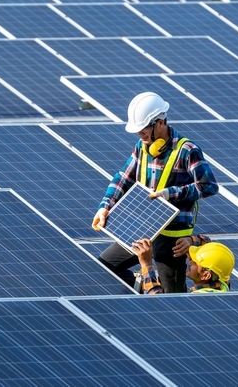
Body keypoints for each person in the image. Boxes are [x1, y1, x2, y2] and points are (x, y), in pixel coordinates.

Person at [92, 92, 219, 293]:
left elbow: (209, 186)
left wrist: (171, 194)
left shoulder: (187, 150)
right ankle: (144, 295)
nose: (140, 135)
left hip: (172, 240)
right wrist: (104, 206)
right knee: (105, 265)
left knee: (171, 299)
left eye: (143, 130)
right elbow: (123, 178)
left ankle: (154, 302)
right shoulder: (142, 148)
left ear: (159, 122)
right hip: (143, 230)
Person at [131, 236, 234, 293]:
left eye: (194, 262)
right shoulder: (222, 283)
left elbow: (156, 302)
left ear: (206, 275)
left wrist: (146, 264)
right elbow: (211, 247)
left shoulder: (199, 299)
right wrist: (190, 240)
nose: (189, 260)